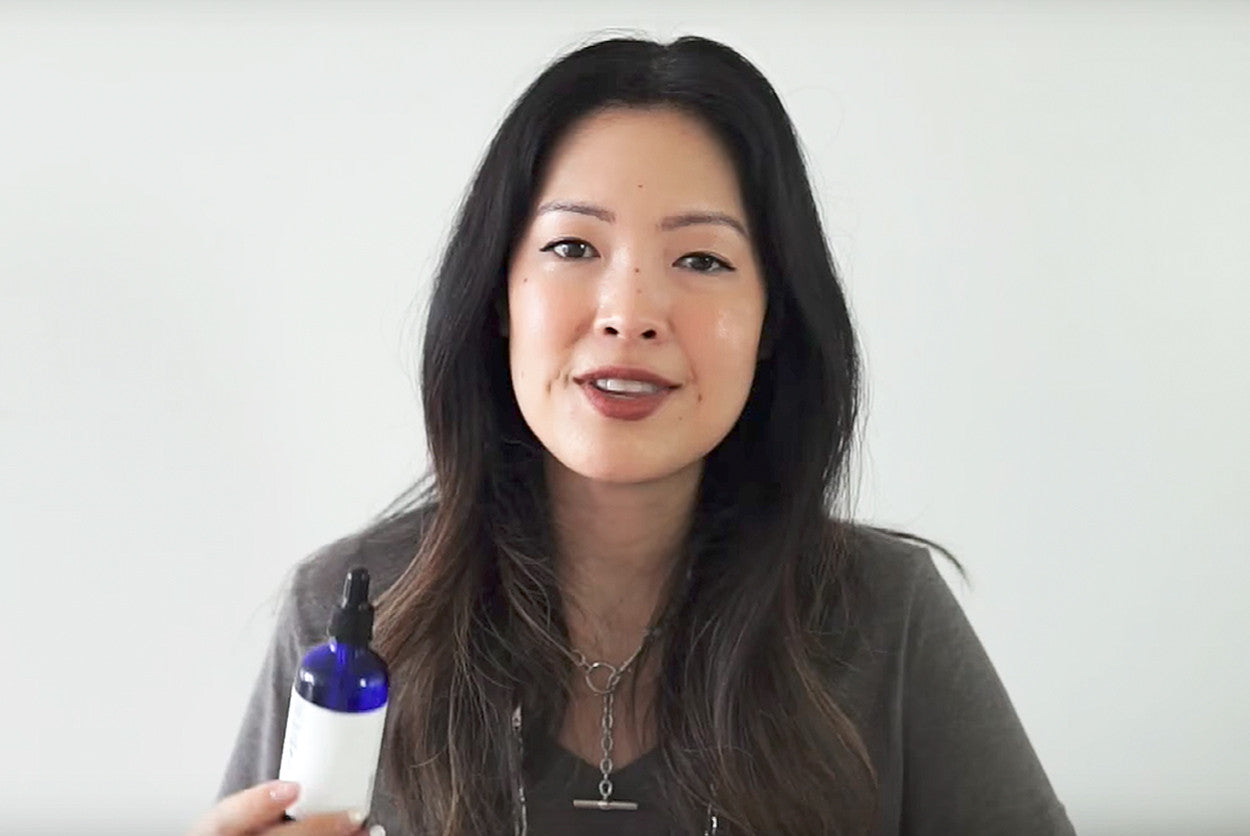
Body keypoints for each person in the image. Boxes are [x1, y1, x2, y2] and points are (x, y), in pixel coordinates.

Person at [190, 34, 1075, 836]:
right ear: (499, 295)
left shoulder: (888, 618)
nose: (629, 312)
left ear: (771, 322)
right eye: (574, 248)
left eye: (701, 260)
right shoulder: (349, 624)